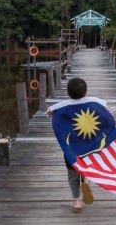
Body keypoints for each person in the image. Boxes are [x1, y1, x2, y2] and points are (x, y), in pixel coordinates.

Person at [46, 77, 107, 213]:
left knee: (72, 175)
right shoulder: (94, 102)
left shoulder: (63, 106)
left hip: (71, 148)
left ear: (68, 93)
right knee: (88, 166)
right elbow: (106, 109)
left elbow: (49, 112)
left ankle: (77, 202)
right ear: (85, 92)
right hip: (89, 145)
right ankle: (86, 182)